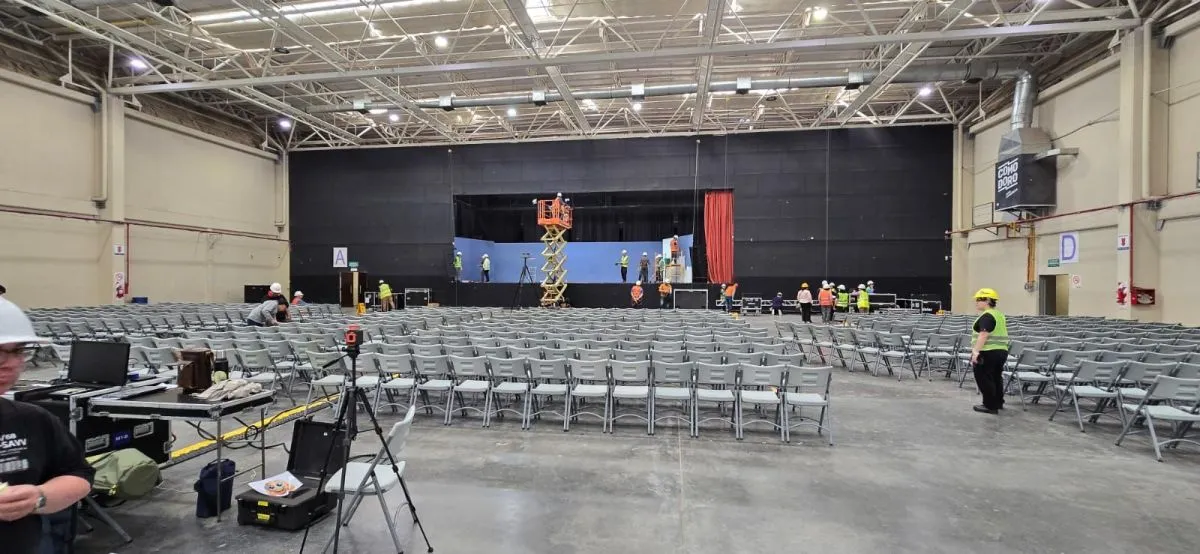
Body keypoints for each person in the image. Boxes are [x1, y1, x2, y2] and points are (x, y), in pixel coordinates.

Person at [0, 298, 95, 554]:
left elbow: (78, 474)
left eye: (18, 351)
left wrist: (39, 497)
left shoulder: (32, 419)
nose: (11, 364)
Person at [969, 288, 1009, 414]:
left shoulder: (987, 316)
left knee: (984, 378)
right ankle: (998, 402)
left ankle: (990, 405)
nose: (976, 302)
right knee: (996, 377)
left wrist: (975, 352)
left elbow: (983, 334)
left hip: (988, 352)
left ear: (987, 300)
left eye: (978, 299)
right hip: (1001, 351)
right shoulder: (999, 315)